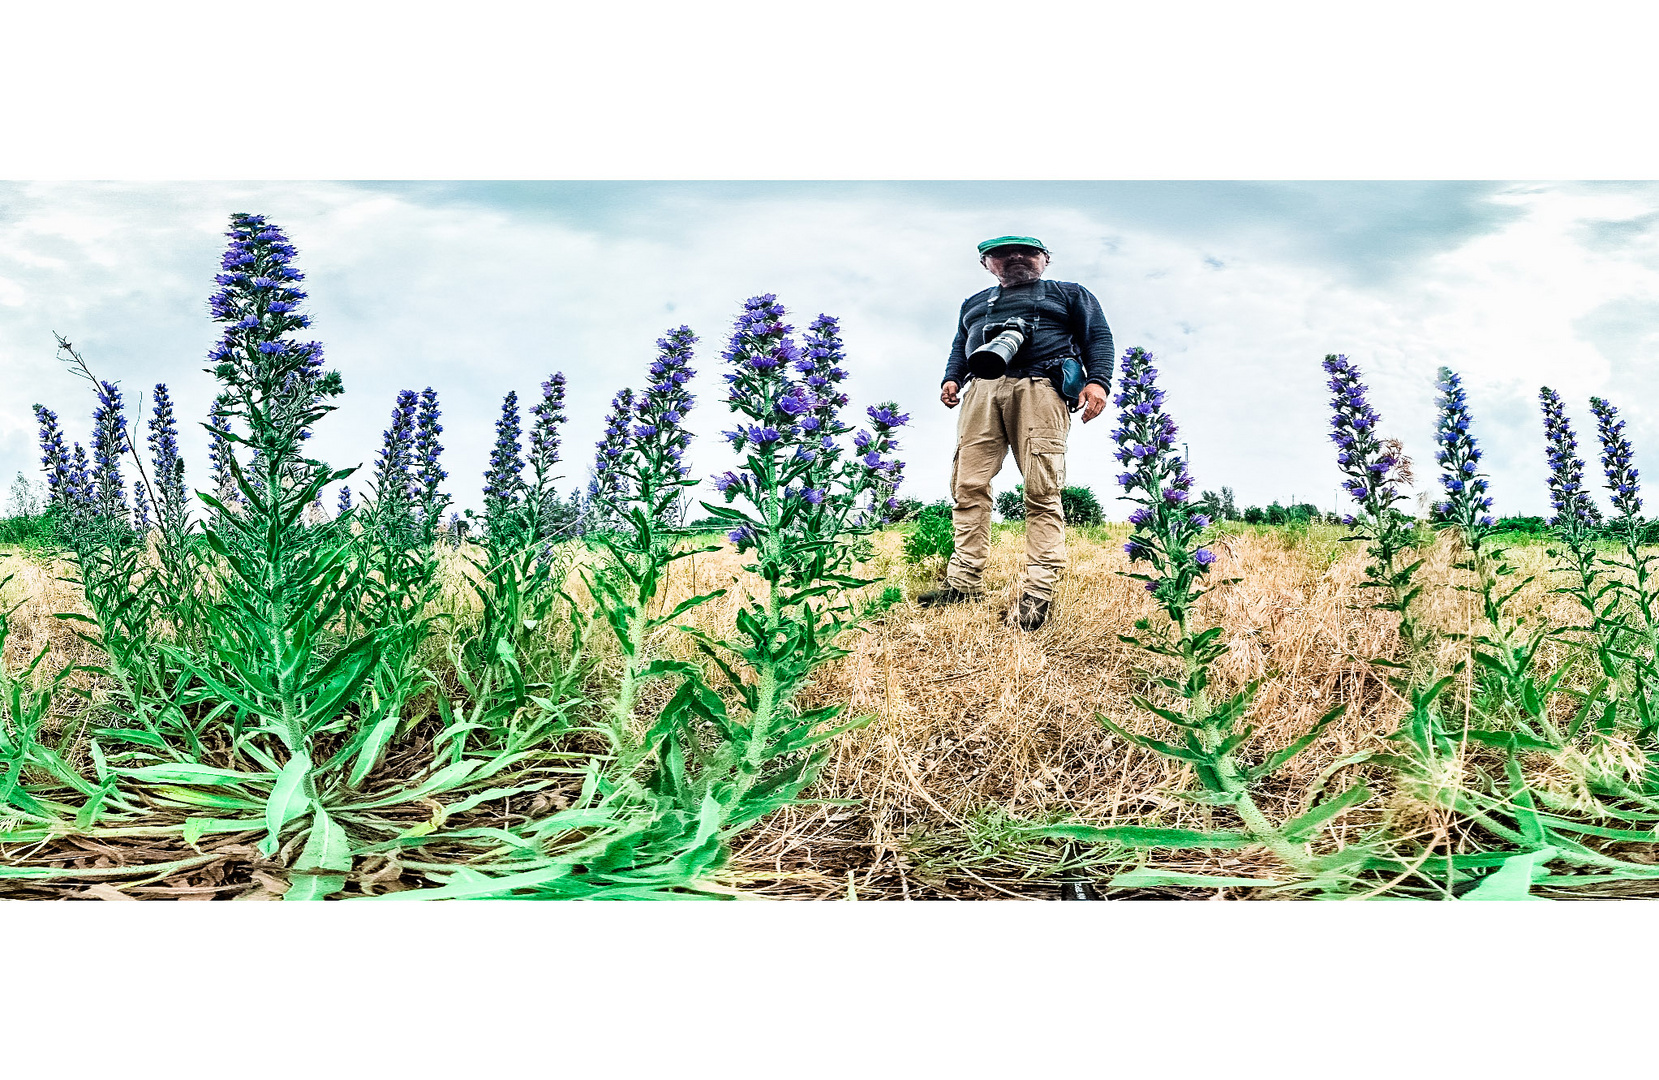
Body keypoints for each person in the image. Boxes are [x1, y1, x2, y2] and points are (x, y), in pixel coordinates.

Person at [918, 235, 1113, 631]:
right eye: (1002, 255)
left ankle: (1039, 593)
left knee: (1042, 490)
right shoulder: (973, 304)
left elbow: (1099, 338)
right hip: (982, 390)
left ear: (1045, 259)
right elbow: (961, 345)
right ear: (987, 264)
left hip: (1040, 386)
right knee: (967, 486)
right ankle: (963, 583)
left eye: (1027, 252)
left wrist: (1099, 382)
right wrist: (952, 378)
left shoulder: (1070, 293)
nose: (1015, 259)